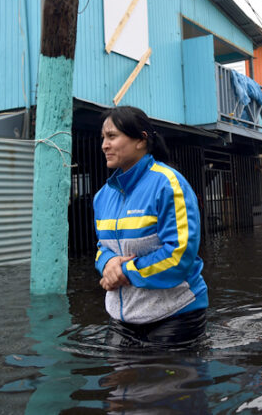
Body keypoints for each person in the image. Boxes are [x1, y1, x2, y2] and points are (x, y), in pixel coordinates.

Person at [93, 106, 208, 347]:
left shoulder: (168, 184)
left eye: (112, 136)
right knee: (120, 383)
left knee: (162, 383)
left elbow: (179, 254)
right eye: (103, 137)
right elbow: (101, 247)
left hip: (175, 315)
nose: (104, 145)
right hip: (121, 317)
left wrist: (124, 272)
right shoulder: (102, 196)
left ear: (140, 140)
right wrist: (107, 264)